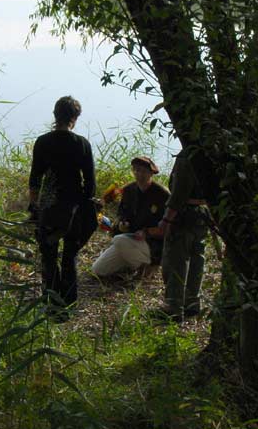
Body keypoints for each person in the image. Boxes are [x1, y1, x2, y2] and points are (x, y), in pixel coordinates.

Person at [28, 96, 96, 314]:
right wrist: (86, 204)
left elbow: (35, 180)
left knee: (48, 254)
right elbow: (90, 184)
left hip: (49, 204)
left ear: (55, 115)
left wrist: (34, 207)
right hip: (73, 207)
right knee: (69, 255)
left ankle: (51, 303)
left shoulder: (43, 142)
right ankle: (69, 302)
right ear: (74, 118)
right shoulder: (82, 144)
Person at [155, 147, 209, 321]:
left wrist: (167, 219)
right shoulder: (211, 150)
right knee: (197, 258)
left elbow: (179, 193)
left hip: (184, 214)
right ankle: (192, 302)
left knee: (176, 259)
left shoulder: (188, 155)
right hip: (203, 213)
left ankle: (174, 306)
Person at [91, 156, 169, 277]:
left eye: (143, 171)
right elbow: (122, 213)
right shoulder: (128, 190)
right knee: (98, 270)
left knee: (118, 240)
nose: (139, 174)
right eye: (136, 170)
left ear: (151, 173)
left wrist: (147, 232)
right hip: (129, 240)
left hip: (152, 244)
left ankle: (150, 265)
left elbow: (169, 226)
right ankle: (132, 265)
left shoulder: (162, 194)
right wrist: (122, 222)